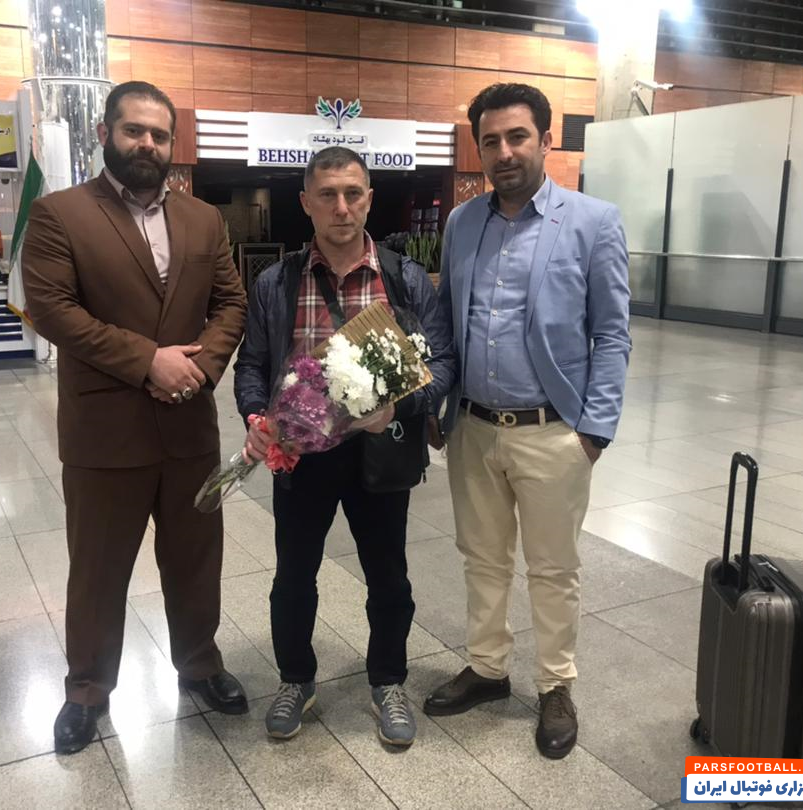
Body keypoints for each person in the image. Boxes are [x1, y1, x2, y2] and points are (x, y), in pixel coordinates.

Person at [22, 80, 249, 755]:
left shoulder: (204, 219)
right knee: (98, 569)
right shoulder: (60, 214)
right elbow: (53, 309)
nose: (146, 144)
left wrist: (200, 367)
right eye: (133, 130)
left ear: (172, 143)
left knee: (196, 559)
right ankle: (87, 690)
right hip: (104, 433)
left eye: (159, 134)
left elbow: (231, 303)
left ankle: (200, 664)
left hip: (189, 427)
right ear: (105, 134)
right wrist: (148, 360)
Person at [423, 83, 631, 760]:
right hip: (473, 427)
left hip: (553, 432)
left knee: (552, 567)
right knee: (481, 558)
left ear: (546, 140)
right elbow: (445, 325)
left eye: (517, 137)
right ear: (478, 148)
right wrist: (434, 402)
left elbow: (612, 334)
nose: (504, 152)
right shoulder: (462, 223)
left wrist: (593, 432)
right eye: (490, 141)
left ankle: (555, 684)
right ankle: (488, 669)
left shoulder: (593, 222)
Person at [234, 146, 455, 747]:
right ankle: (295, 679)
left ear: (369, 200)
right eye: (327, 195)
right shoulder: (276, 282)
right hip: (300, 458)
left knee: (389, 578)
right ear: (305, 203)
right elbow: (252, 363)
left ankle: (388, 680)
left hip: (380, 454)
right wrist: (256, 416)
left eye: (353, 193)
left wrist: (398, 408)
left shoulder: (405, 278)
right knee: (293, 577)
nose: (341, 207)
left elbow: (441, 362)